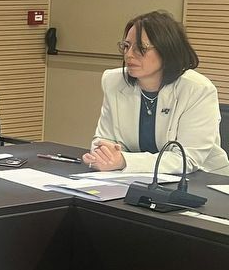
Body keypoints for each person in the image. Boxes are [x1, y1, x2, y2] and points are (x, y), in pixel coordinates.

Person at [83, 10, 229, 175]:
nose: (128, 55)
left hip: (202, 179)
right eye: (126, 46)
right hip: (134, 177)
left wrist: (124, 160)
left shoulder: (197, 89)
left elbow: (187, 158)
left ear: (167, 51)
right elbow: (104, 139)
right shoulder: (114, 81)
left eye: (140, 48)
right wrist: (105, 153)